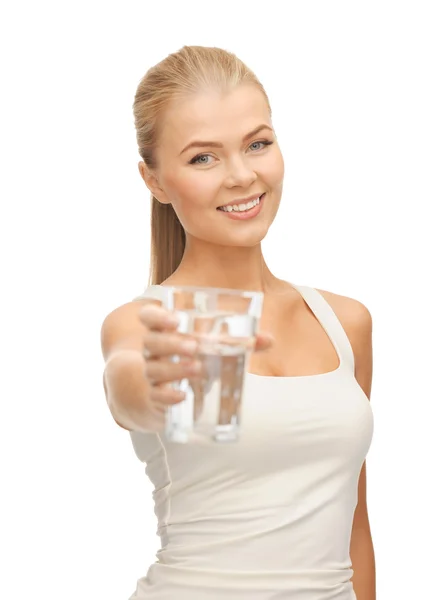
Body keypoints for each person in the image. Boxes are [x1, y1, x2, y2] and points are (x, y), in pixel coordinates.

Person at [100, 45, 376, 600]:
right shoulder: (150, 323)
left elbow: (355, 527)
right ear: (154, 182)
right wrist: (147, 389)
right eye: (204, 158)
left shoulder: (343, 322)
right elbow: (127, 385)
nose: (243, 175)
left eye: (258, 144)